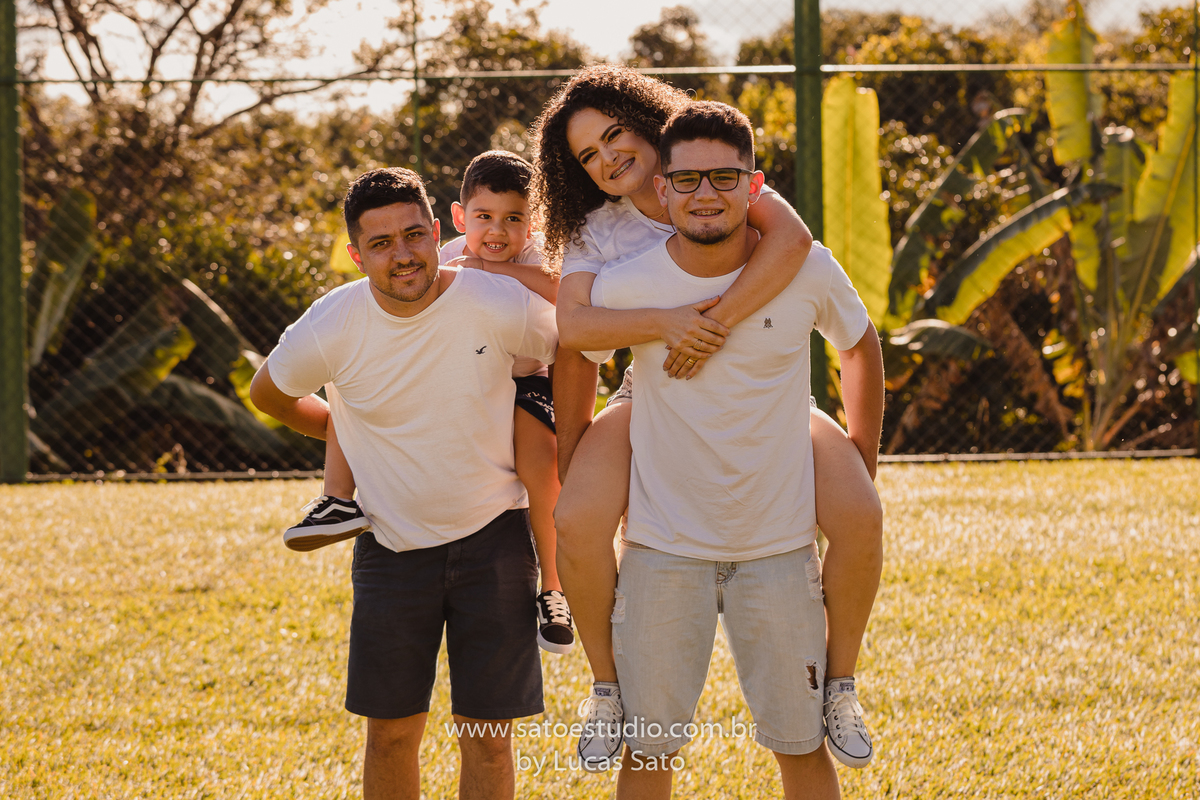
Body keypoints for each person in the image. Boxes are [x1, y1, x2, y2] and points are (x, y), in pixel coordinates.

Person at [531, 65, 883, 771]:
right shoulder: (598, 232)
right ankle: (607, 686)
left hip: (767, 389)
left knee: (860, 512)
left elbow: (794, 249)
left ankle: (839, 683)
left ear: (647, 120)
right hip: (651, 389)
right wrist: (664, 327)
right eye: (587, 157)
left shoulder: (724, 185)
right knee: (579, 517)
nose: (607, 160)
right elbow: (576, 334)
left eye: (614, 135)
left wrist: (712, 324)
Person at [248, 167, 558, 800]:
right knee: (390, 735)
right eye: (381, 244)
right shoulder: (333, 323)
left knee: (488, 738)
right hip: (390, 548)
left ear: (438, 230)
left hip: (496, 539)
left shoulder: (495, 301)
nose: (404, 255)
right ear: (357, 255)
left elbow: (573, 349)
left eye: (414, 236)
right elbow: (270, 393)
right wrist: (344, 428)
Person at [281, 150, 574, 656]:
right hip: (463, 378)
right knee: (354, 390)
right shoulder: (446, 252)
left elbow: (563, 291)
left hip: (525, 381)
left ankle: (552, 587)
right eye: (484, 218)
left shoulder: (529, 256)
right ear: (459, 219)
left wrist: (482, 269)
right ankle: (336, 499)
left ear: (535, 222)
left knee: (540, 472)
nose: (498, 231)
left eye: (514, 219)